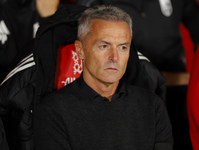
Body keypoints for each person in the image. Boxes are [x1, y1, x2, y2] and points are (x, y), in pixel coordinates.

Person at [33, 5, 173, 150]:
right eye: (104, 46)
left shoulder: (152, 106)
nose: (114, 57)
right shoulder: (52, 111)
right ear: (80, 50)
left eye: (123, 47)